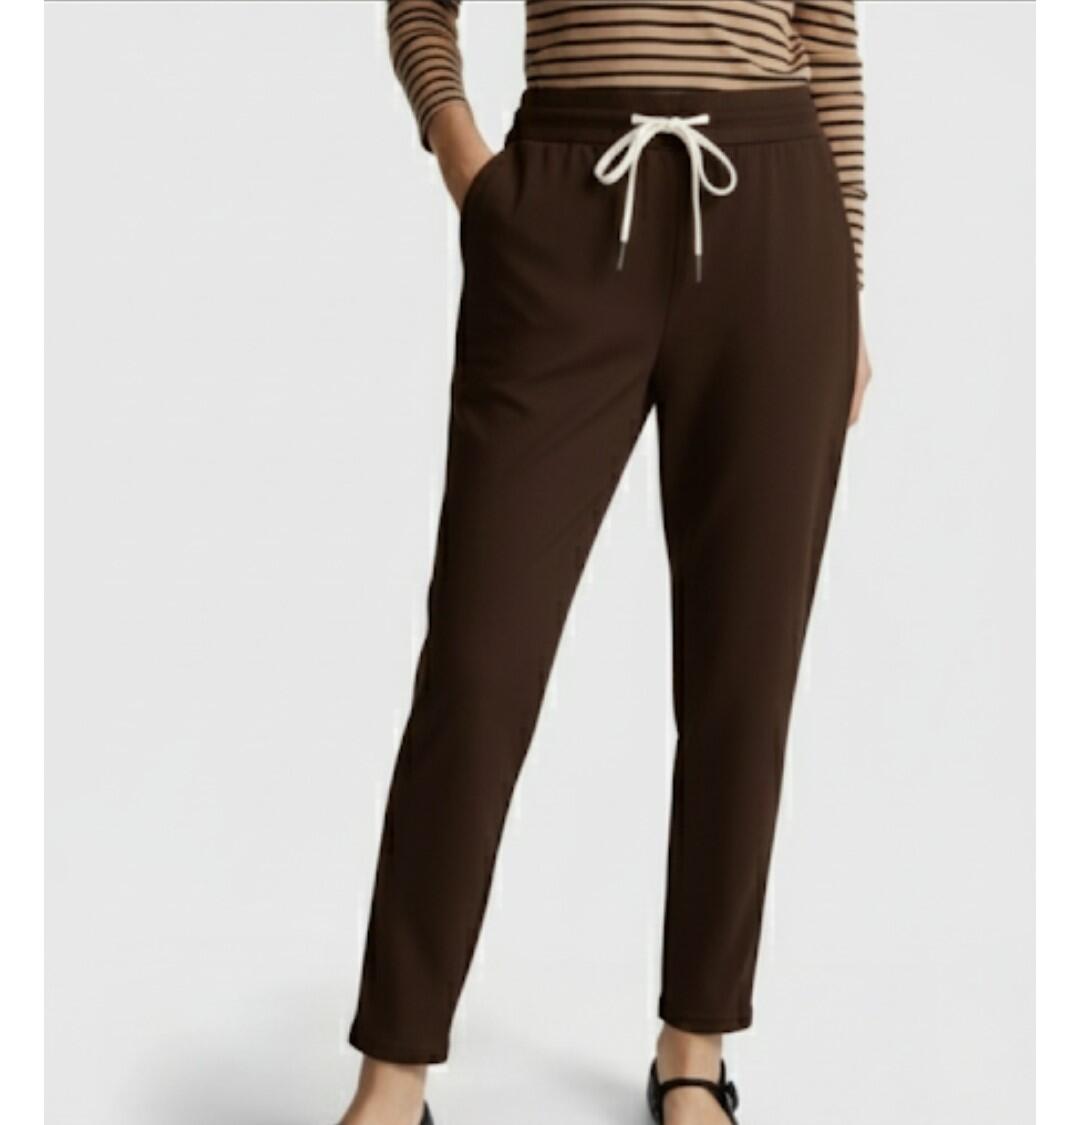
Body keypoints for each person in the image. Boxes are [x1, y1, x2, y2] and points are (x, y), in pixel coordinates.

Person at [337, 3, 872, 1123]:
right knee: (479, 662)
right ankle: (393, 1072)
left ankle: (695, 1048)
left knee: (743, 673)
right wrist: (472, 172)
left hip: (776, 220)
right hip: (563, 206)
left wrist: (850, 283)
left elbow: (827, 35)